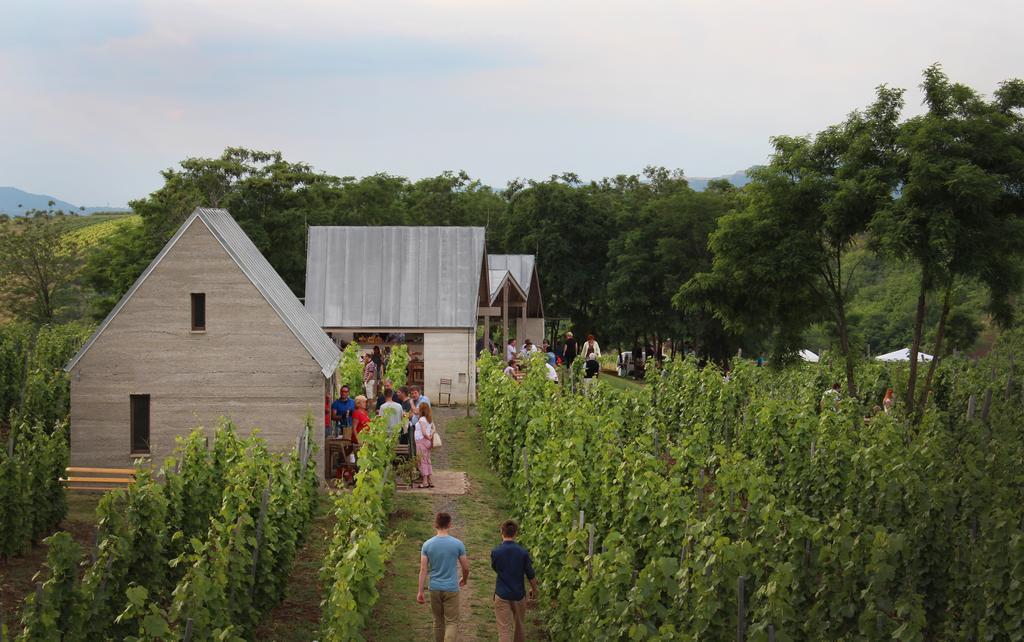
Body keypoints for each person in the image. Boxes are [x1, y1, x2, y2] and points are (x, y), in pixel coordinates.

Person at [418, 512, 469, 642]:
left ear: (435, 524)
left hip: (434, 587)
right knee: (451, 621)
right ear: (450, 524)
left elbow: (423, 569)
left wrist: (420, 591)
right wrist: (464, 579)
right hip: (451, 587)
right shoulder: (458, 544)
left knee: (438, 621)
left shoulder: (427, 545)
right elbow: (465, 567)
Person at [491, 520, 537, 642]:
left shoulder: (496, 552)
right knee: (519, 627)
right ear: (515, 533)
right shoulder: (523, 552)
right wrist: (534, 589)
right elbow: (530, 574)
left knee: (504, 630)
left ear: (502, 532)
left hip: (501, 594)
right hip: (518, 595)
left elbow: (495, 568)